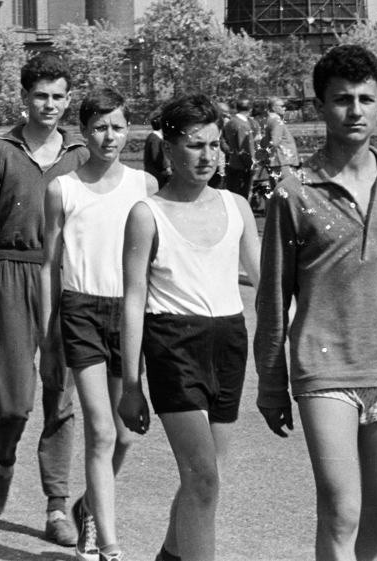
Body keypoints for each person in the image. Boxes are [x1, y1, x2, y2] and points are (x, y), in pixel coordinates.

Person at [255, 45, 377, 561]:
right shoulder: (293, 192)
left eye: (365, 99)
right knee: (341, 508)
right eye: (342, 99)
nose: (355, 110)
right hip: (324, 371)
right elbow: (273, 298)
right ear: (320, 107)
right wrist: (270, 382)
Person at [119, 93, 262, 561]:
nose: (208, 156)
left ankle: (168, 556)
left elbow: (265, 283)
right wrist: (131, 384)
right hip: (173, 344)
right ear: (169, 149)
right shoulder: (147, 214)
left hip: (228, 342)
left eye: (214, 145)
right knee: (202, 477)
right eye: (196, 145)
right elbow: (134, 300)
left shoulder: (236, 205)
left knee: (209, 475)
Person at [0, 53, 87, 544]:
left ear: (69, 99)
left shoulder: (80, 153)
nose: (49, 105)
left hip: (63, 277)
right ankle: (3, 459)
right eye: (40, 96)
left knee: (61, 396)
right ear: (24, 98)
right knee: (11, 399)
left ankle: (57, 506)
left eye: (58, 96)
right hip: (10, 274)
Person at [43, 86, 157, 561]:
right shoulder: (62, 189)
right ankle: (106, 544)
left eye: (117, 126)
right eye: (98, 128)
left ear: (128, 128)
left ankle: (90, 505)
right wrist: (49, 335)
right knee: (101, 430)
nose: (109, 137)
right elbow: (50, 265)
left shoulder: (145, 186)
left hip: (130, 314)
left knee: (127, 433)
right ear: (83, 133)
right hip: (81, 310)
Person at [221, 98, 258, 202]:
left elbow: (222, 140)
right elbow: (246, 150)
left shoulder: (230, 122)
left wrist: (229, 152)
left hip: (232, 163)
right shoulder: (243, 125)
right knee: (242, 197)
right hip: (242, 167)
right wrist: (251, 166)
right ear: (250, 109)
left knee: (233, 195)